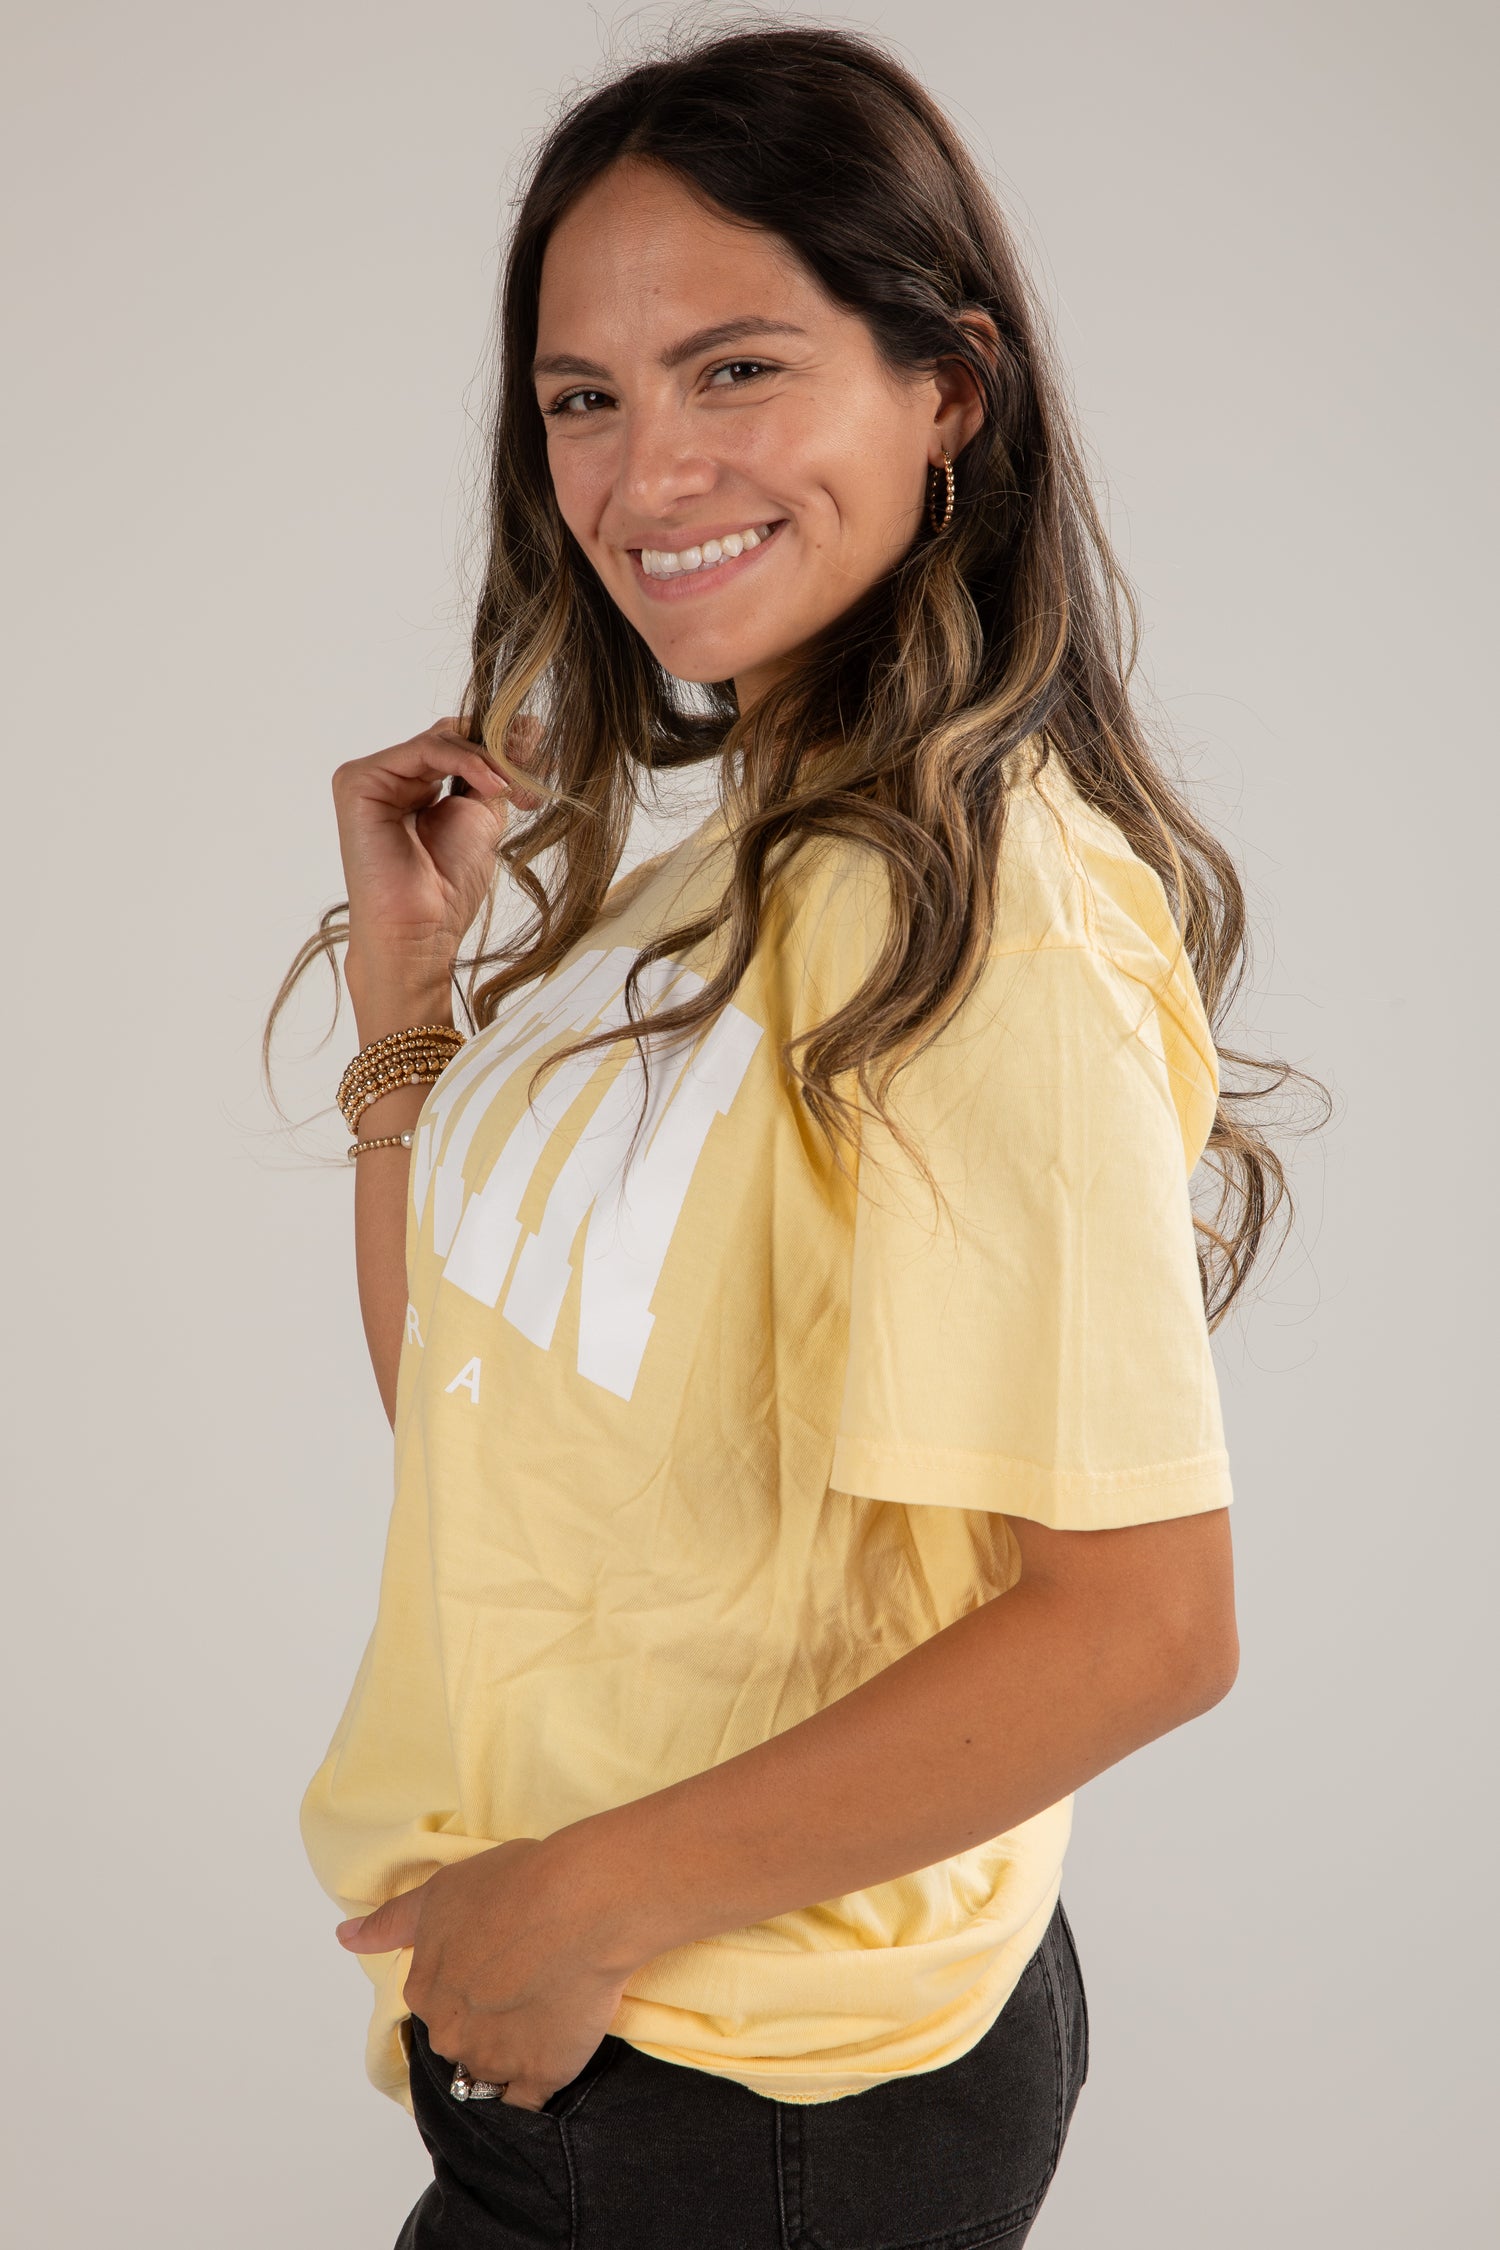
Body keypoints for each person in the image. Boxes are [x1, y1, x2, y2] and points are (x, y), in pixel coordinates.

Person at [275, 21, 1301, 2248]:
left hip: (768, 2107)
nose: (647, 473)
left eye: (736, 369)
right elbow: (481, 1429)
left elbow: (1147, 1621)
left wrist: (578, 1901)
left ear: (951, 387)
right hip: (626, 2057)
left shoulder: (986, 916)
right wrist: (407, 1026)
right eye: (584, 396)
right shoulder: (730, 871)